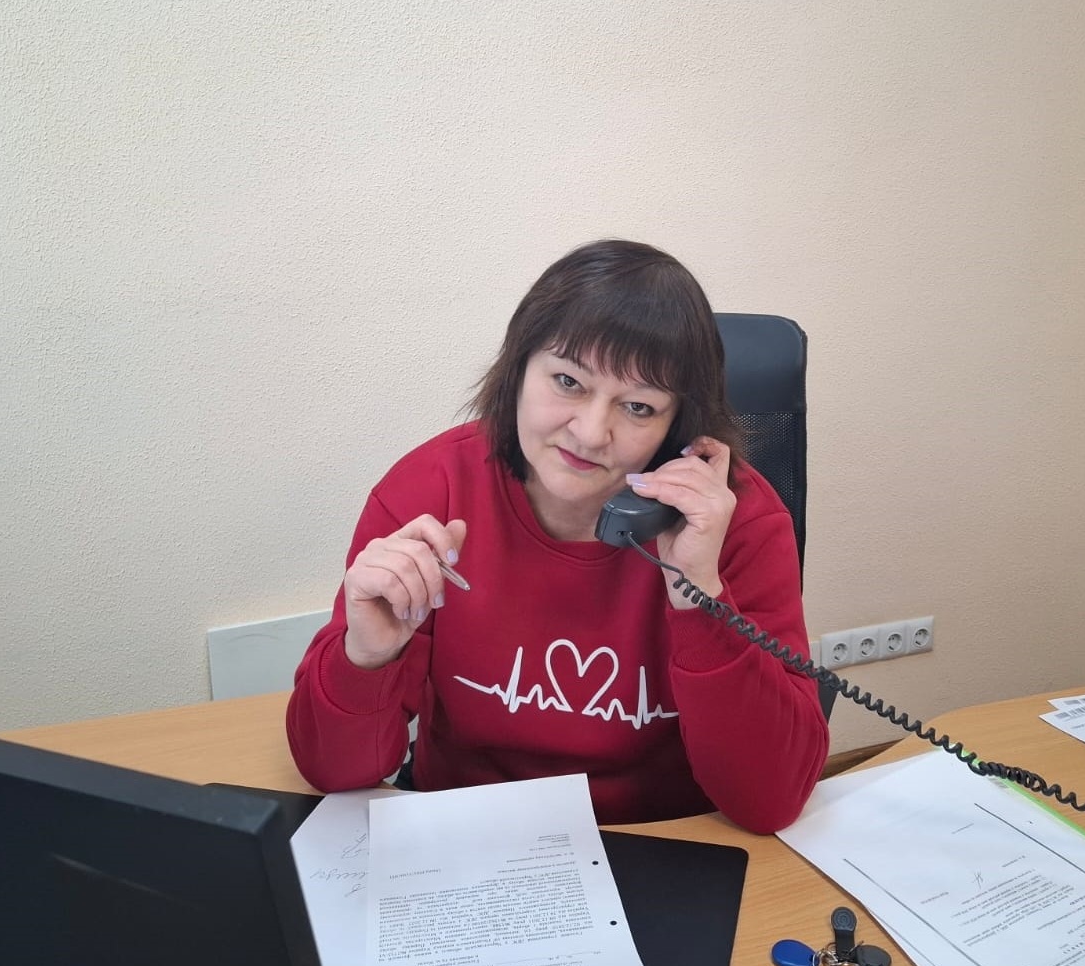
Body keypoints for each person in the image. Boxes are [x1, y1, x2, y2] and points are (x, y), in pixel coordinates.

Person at [286, 239, 828, 833]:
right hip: (469, 836)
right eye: (568, 381)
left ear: (680, 427)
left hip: (666, 840)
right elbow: (335, 773)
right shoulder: (430, 492)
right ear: (518, 369)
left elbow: (769, 801)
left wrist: (698, 592)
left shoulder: (738, 523)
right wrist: (365, 658)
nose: (591, 433)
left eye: (639, 408)